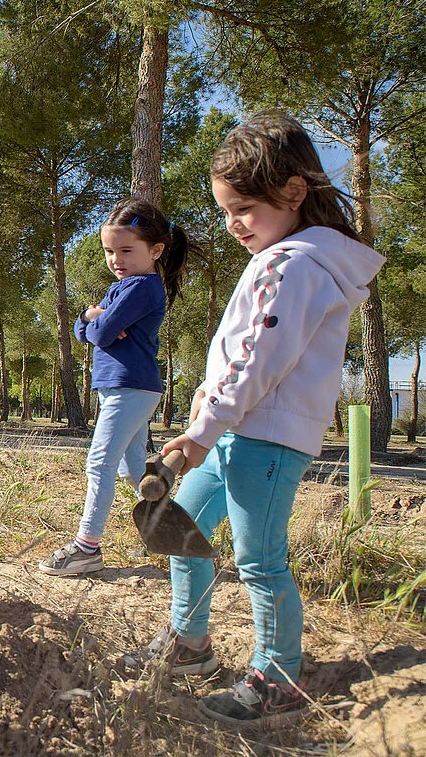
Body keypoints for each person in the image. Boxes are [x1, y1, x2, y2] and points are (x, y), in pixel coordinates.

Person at [126, 112, 384, 728]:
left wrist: (201, 427)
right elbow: (243, 355)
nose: (232, 224)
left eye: (243, 208)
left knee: (259, 560)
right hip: (237, 431)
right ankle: (191, 644)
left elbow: (261, 360)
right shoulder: (288, 260)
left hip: (265, 439)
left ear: (293, 193)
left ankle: (278, 679)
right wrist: (205, 402)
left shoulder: (293, 266)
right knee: (176, 526)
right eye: (223, 211)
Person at [39, 198, 196, 576]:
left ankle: (86, 549)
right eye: (110, 250)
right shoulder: (122, 287)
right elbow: (89, 328)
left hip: (131, 387)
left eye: (127, 250)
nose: (116, 259)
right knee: (131, 470)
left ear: (156, 250)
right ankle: (178, 539)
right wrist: (90, 317)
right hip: (121, 387)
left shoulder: (142, 287)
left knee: (99, 464)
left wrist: (96, 322)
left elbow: (103, 333)